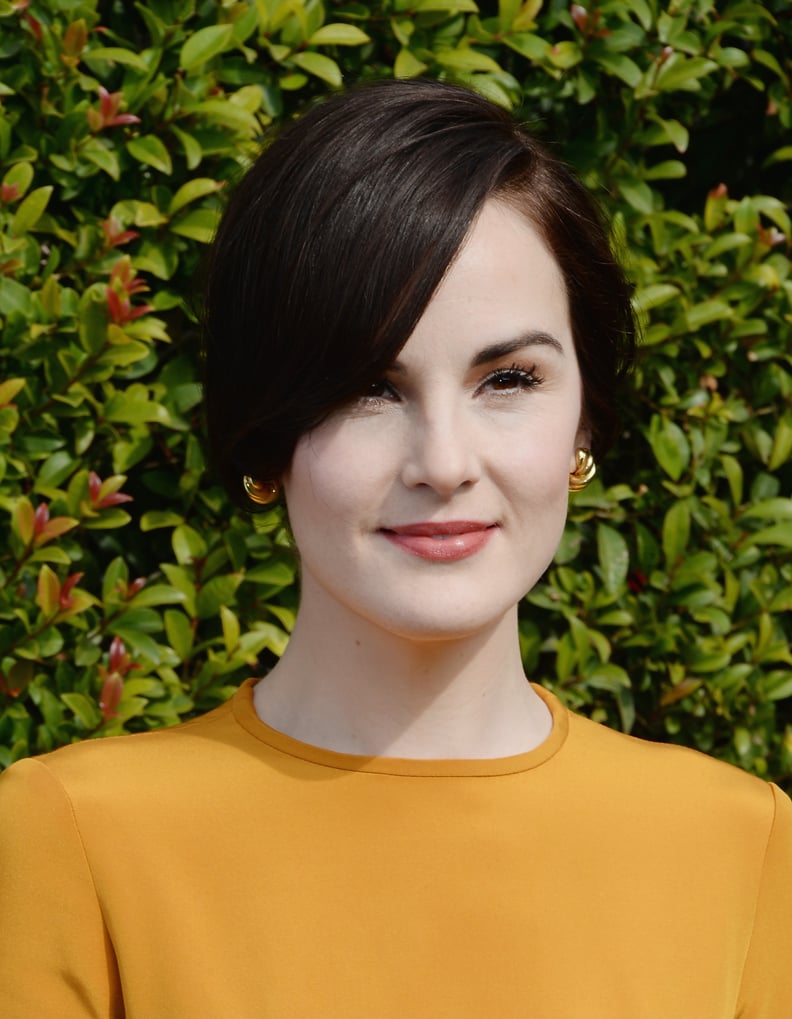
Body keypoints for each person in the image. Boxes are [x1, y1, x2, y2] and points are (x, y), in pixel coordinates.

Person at [1, 79, 790, 1018]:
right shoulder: (71, 837)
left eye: (508, 378)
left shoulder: (744, 847)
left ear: (585, 418)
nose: (445, 462)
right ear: (266, 434)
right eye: (370, 387)